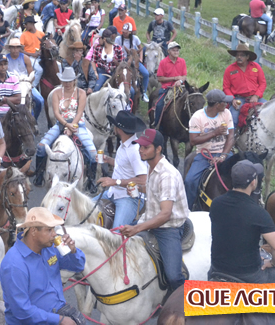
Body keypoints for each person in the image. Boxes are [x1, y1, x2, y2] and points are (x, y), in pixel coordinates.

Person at [209, 159, 275, 325]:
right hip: (249, 275)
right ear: (253, 182)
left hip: (217, 270)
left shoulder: (216, 204)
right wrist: (272, 263)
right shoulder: (258, 213)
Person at [120, 129, 189, 295]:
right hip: (149, 219)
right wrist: (139, 189)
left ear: (158, 149)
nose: (140, 150)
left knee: (173, 276)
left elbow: (165, 214)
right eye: (140, 147)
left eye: (146, 147)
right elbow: (154, 190)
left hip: (168, 228)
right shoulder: (151, 166)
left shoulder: (167, 175)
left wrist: (137, 228)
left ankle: (182, 301)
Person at [0, 207, 86, 325]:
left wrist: (73, 251)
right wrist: (60, 320)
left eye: (54, 229)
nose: (54, 234)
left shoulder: (51, 247)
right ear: (34, 231)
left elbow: (78, 266)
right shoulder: (14, 264)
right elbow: (22, 311)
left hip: (57, 310)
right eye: (49, 230)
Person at [34, 68, 98, 191]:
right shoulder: (56, 93)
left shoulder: (81, 93)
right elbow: (56, 112)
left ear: (74, 81)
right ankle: (39, 175)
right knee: (41, 147)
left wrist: (72, 126)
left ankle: (91, 180)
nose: (67, 83)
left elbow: (79, 112)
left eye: (69, 81)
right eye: (65, 81)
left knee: (93, 153)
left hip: (77, 124)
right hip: (61, 123)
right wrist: (66, 125)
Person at [97, 111, 148, 228]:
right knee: (85, 209)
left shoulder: (135, 151)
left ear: (119, 129)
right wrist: (108, 160)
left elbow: (143, 180)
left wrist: (115, 181)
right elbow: (124, 166)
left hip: (129, 198)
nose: (113, 127)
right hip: (113, 193)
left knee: (117, 232)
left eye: (115, 125)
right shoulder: (124, 144)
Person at [185, 90, 235, 208]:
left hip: (224, 153)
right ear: (217, 105)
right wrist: (215, 133)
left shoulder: (226, 113)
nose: (226, 104)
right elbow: (193, 141)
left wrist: (223, 155)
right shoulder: (197, 117)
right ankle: (188, 208)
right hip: (204, 155)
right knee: (190, 181)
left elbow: (231, 137)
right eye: (224, 102)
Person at [223, 43, 267, 127]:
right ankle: (233, 135)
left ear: (247, 57)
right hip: (239, 99)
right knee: (233, 120)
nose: (239, 57)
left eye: (242, 55)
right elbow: (226, 87)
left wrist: (256, 96)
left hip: (256, 98)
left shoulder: (256, 67)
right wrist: (232, 99)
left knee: (271, 113)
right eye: (237, 55)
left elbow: (263, 83)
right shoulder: (229, 69)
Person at [5, 38, 44, 120]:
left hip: (25, 83)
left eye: (17, 47)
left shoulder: (25, 58)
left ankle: (34, 119)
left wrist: (29, 83)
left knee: (40, 100)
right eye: (13, 47)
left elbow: (31, 74)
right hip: (11, 84)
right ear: (9, 48)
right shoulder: (6, 59)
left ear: (20, 48)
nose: (15, 50)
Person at [152, 42, 187, 128]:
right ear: (169, 51)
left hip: (181, 87)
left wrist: (180, 81)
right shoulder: (163, 62)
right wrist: (174, 78)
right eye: (174, 50)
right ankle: (157, 125)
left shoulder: (182, 61)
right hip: (167, 88)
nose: (176, 52)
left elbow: (184, 76)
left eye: (177, 50)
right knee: (159, 105)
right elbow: (159, 78)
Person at [115, 23, 149, 102]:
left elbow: (140, 48)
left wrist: (140, 58)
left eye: (126, 32)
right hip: (123, 61)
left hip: (134, 59)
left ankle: (143, 92)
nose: (124, 33)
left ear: (130, 32)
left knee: (146, 73)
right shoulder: (118, 39)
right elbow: (116, 49)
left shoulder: (135, 38)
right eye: (123, 32)